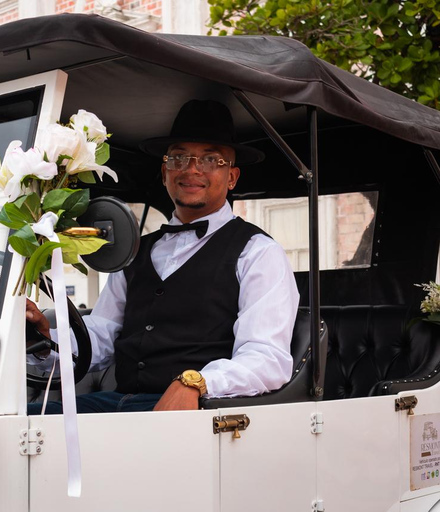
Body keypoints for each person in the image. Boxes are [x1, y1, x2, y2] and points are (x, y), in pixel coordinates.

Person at [26, 99, 300, 413]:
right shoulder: (135, 250)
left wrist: (197, 382)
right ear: (165, 170)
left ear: (232, 177)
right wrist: (47, 338)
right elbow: (101, 334)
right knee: (21, 419)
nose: (193, 169)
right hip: (118, 402)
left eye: (211, 159)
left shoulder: (257, 252)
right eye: (179, 157)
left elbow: (267, 358)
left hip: (197, 412)